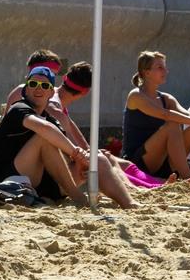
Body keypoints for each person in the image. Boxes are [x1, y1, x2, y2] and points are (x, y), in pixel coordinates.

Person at [0, 67, 90, 205]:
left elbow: (63, 153)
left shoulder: (50, 119)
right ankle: (78, 197)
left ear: (51, 92)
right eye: (33, 84)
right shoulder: (18, 109)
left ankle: (123, 202)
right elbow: (45, 128)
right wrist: (76, 153)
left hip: (35, 181)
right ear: (26, 89)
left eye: (45, 85)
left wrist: (80, 164)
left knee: (95, 161)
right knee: (44, 138)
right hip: (7, 179)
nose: (38, 88)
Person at [44, 62, 140, 208]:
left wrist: (91, 151)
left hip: (53, 171)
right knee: (100, 160)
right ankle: (132, 195)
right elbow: (73, 150)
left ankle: (143, 186)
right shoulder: (56, 110)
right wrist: (90, 155)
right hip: (54, 178)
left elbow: (80, 142)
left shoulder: (57, 104)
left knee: (113, 159)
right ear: (85, 92)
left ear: (64, 78)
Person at [123, 51, 190, 181]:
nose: (166, 71)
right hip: (139, 162)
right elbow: (165, 114)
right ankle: (187, 177)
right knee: (172, 126)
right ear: (146, 72)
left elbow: (188, 114)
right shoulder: (136, 96)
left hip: (164, 162)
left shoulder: (166, 98)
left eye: (165, 67)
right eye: (160, 67)